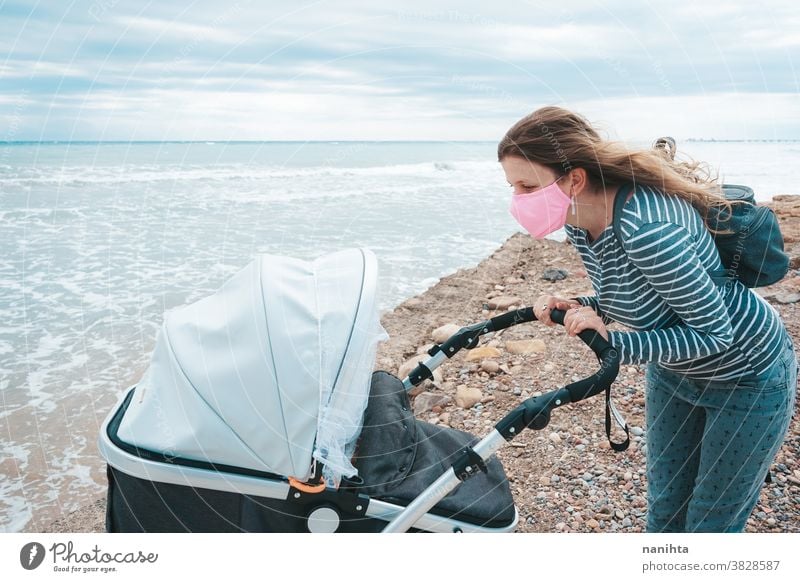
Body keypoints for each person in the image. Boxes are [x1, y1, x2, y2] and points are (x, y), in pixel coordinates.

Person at [498, 105, 797, 533]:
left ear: (574, 179)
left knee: (710, 522)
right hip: (674, 373)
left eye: (528, 186)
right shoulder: (581, 220)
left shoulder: (649, 230)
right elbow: (625, 292)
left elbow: (715, 334)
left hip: (745, 376)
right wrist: (583, 305)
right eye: (513, 187)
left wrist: (617, 345)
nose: (519, 200)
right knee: (665, 508)